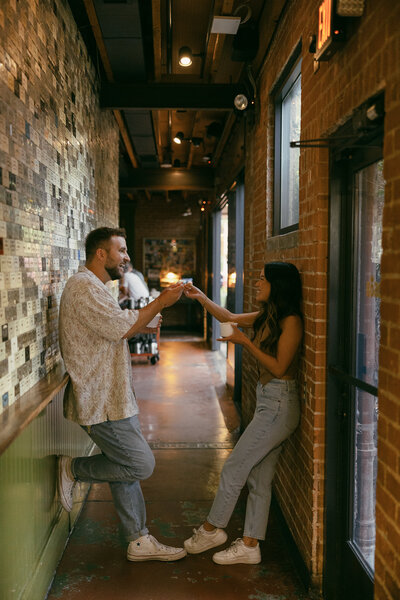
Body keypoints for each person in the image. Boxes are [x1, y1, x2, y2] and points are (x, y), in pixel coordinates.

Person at [58, 227, 187, 562]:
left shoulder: (97, 288)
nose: (127, 257)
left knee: (124, 464)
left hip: (115, 397)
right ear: (101, 253)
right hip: (99, 399)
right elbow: (117, 327)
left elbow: (116, 326)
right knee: (139, 464)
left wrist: (142, 322)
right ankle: (74, 469)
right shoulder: (83, 287)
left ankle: (137, 540)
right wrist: (161, 300)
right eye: (122, 251)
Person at [182, 262, 303, 565]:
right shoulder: (269, 317)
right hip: (269, 403)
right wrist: (201, 297)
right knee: (260, 480)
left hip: (278, 406)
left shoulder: (292, 322)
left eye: (263, 280)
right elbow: (229, 317)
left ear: (279, 285)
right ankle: (250, 546)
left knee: (235, 467)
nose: (257, 283)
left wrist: (244, 342)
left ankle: (212, 529)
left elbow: (278, 368)